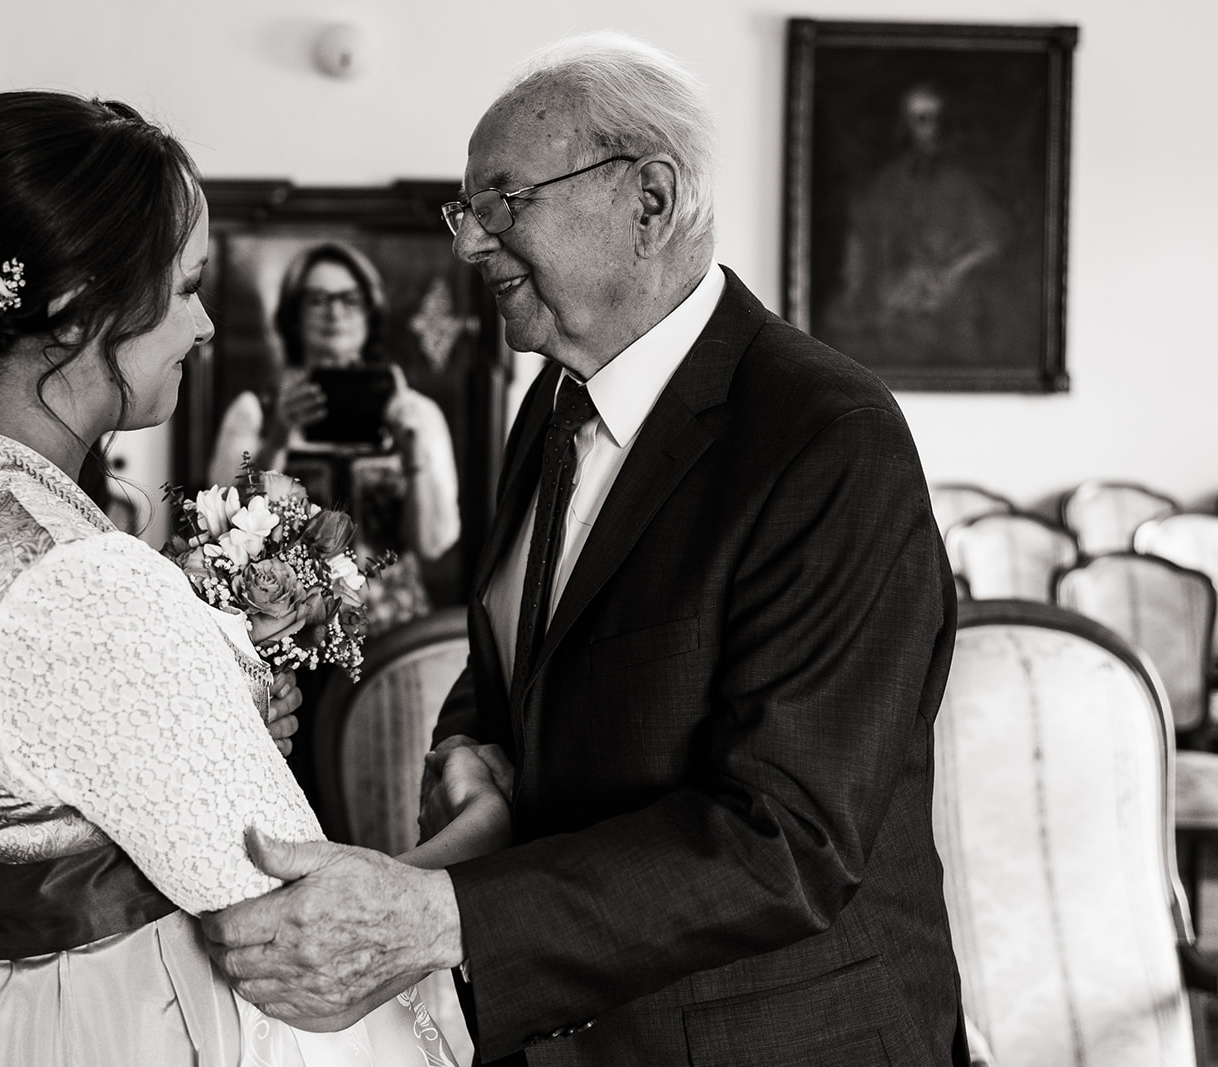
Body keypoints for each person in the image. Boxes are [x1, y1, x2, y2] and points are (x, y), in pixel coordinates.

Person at [202, 32, 971, 1066]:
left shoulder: (826, 436)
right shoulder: (550, 398)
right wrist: (470, 757)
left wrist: (441, 913)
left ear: (647, 199)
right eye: (464, 210)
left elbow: (788, 838)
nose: (471, 244)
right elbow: (514, 649)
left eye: (503, 202)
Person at [0, 89, 506, 1065]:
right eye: (183, 287)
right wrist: (490, 820)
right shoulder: (87, 583)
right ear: (72, 310)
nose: (201, 326)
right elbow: (306, 933)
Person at [208, 241, 461, 637]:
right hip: (284, 625)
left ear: (370, 311)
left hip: (392, 627)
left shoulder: (416, 415)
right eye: (317, 299)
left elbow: (433, 543)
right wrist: (277, 439)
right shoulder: (254, 412)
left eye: (350, 299)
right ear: (293, 313)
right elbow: (222, 534)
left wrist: (412, 454)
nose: (335, 312)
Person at [818, 81, 1010, 367]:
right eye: (922, 120)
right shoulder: (888, 183)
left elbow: (992, 240)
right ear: (906, 126)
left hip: (950, 298)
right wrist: (859, 284)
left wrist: (952, 271)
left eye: (937, 120)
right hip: (896, 299)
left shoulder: (960, 184)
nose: (932, 129)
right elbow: (861, 236)